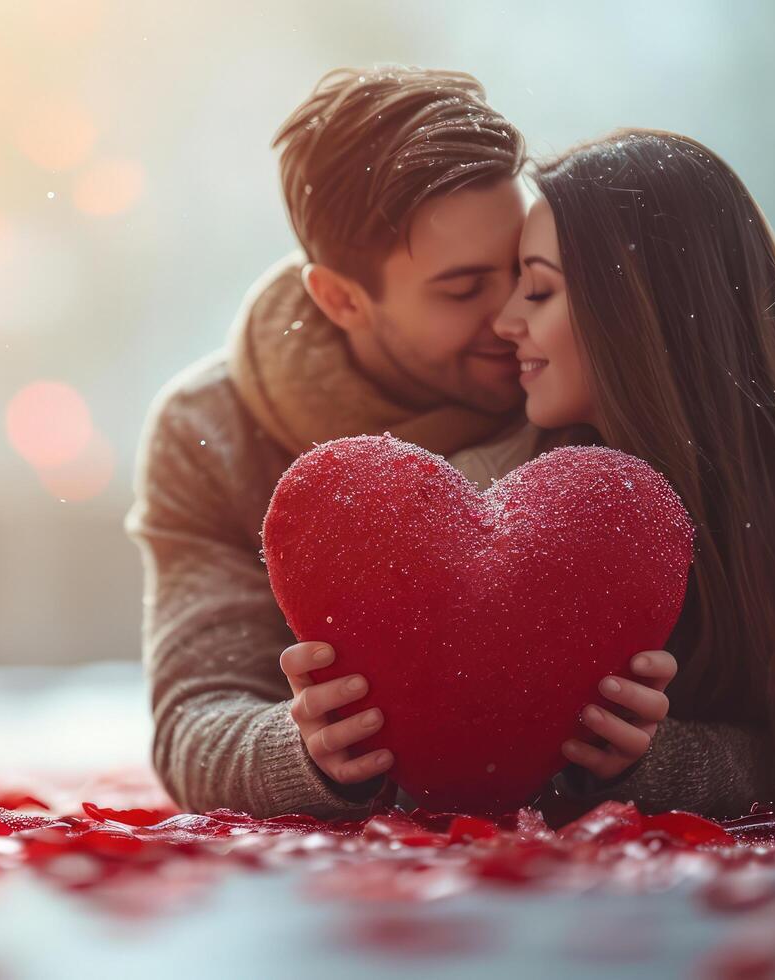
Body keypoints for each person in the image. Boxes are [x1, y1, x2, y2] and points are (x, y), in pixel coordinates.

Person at [127, 66, 663, 820]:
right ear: (340, 299)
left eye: (523, 272)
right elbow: (194, 722)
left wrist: (648, 757)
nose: (513, 316)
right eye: (461, 288)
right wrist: (304, 750)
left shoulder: (585, 377)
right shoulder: (209, 430)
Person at [489, 129, 775, 814]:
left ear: (635, 312)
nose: (503, 320)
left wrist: (648, 762)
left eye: (537, 291)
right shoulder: (508, 472)